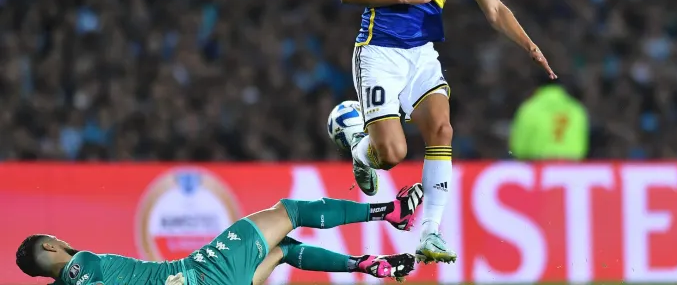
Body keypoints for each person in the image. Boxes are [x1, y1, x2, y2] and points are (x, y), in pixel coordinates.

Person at [338, 0, 556, 263]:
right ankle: (360, 147)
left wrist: (528, 44)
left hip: (422, 55)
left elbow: (494, 9)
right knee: (391, 154)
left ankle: (430, 234)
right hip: (378, 53)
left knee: (442, 128)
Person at [15, 184, 423, 285]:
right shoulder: (80, 264)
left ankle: (367, 264)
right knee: (291, 212)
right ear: (51, 246)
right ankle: (392, 212)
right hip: (202, 273)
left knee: (281, 250)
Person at [510, 77, 589, 160]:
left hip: (539, 167)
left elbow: (518, 148)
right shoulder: (576, 109)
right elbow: (583, 146)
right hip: (571, 167)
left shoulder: (529, 109)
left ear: (536, 87)